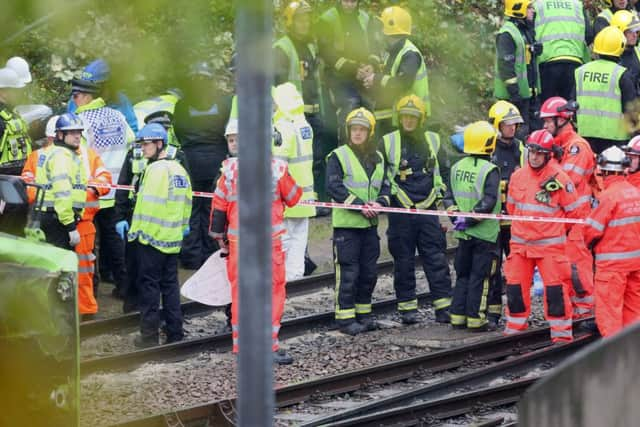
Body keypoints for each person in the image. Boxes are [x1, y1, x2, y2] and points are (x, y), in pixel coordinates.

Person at [209, 119, 302, 364]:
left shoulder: (228, 170)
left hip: (239, 244)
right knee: (272, 292)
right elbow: (293, 198)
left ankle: (241, 348)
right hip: (268, 243)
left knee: (241, 294)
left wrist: (220, 237)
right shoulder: (277, 168)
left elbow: (218, 205)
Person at [504, 129, 588, 343]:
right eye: (532, 151)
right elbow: (512, 208)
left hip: (550, 249)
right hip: (521, 246)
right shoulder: (518, 176)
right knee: (514, 288)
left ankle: (560, 336)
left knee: (555, 292)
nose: (534, 156)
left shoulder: (560, 178)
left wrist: (553, 233)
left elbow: (574, 213)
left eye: (539, 153)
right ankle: (514, 330)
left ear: (548, 154)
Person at [381, 95, 452, 324]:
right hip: (400, 212)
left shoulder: (434, 140)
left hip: (428, 209)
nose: (408, 121)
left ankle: (443, 307)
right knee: (403, 261)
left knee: (436, 258)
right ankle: (407, 309)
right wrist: (400, 200)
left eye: (413, 117)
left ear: (421, 119)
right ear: (398, 118)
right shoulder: (388, 141)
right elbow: (382, 177)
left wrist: (437, 196)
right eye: (405, 117)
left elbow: (444, 173)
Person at [126, 123, 192, 348]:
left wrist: (137, 234)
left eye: (146, 144)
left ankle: (148, 337)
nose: (143, 149)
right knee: (171, 287)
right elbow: (187, 204)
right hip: (172, 240)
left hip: (150, 239)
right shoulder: (179, 170)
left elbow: (145, 207)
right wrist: (181, 227)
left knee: (149, 289)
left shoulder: (154, 171)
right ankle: (175, 332)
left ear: (159, 143)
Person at [326, 107, 391, 335]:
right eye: (354, 129)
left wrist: (380, 203)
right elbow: (334, 187)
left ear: (370, 132)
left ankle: (364, 315)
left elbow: (385, 185)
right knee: (348, 273)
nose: (357, 133)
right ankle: (345, 319)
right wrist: (360, 206)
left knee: (368, 273)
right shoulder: (338, 156)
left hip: (369, 226)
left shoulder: (379, 158)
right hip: (347, 227)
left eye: (362, 129)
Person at [72, 68, 135, 296]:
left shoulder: (80, 121)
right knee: (114, 242)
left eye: (75, 95)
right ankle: (124, 286)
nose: (73, 99)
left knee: (89, 244)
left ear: (87, 96)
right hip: (116, 190)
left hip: (92, 192)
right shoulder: (117, 115)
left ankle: (92, 292)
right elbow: (131, 141)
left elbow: (80, 157)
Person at [539, 96, 596, 319]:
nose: (544, 126)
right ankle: (572, 311)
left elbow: (565, 181)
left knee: (577, 268)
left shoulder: (577, 148)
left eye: (547, 122)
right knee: (562, 269)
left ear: (561, 120)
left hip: (576, 221)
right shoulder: (556, 148)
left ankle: (586, 311)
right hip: (561, 221)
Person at [173, 62, 232, 270]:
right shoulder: (223, 103)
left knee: (191, 208)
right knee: (212, 208)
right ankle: (210, 253)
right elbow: (226, 130)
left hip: (191, 161)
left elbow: (178, 130)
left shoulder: (181, 106)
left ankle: (190, 256)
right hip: (216, 160)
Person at [444, 121, 501, 331]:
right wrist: (470, 218)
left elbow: (448, 196)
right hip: (485, 234)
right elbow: (489, 201)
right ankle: (477, 319)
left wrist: (456, 217)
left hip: (463, 234)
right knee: (481, 277)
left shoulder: (456, 167)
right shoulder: (490, 170)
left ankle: (458, 317)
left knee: (463, 275)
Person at [583, 146, 640, 337]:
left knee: (610, 314)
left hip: (612, 267)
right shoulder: (635, 193)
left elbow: (591, 230)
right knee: (633, 311)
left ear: (604, 170)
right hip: (635, 264)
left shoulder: (607, 197)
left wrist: (588, 244)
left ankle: (614, 358)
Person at [275, 2, 325, 208]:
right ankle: (294, 201)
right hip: (293, 117)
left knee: (317, 158)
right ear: (289, 22)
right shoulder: (281, 49)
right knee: (296, 162)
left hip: (314, 111)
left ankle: (317, 201)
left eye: (307, 19)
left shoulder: (311, 47)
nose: (304, 23)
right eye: (300, 19)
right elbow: (276, 84)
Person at [317, 0, 378, 146]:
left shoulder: (365, 18)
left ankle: (368, 151)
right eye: (346, 1)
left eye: (353, 1)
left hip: (362, 74)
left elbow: (374, 47)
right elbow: (327, 53)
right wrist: (353, 68)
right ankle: (346, 149)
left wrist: (372, 65)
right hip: (338, 77)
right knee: (351, 106)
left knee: (369, 108)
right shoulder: (327, 19)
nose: (349, 4)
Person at [272, 83, 317, 280]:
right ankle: (296, 278)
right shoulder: (304, 125)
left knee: (285, 241)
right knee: (299, 240)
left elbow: (277, 169)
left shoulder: (282, 128)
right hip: (304, 196)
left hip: (286, 197)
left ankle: (287, 281)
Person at [365, 6, 430, 137]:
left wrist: (375, 79)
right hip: (394, 116)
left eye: (382, 26)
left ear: (390, 28)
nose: (380, 31)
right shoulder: (394, 51)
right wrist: (372, 76)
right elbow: (388, 76)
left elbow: (402, 83)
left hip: (409, 116)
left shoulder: (409, 54)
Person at [488, 100, 526, 326]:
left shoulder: (522, 150)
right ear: (496, 125)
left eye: (514, 124)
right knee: (491, 269)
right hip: (492, 222)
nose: (512, 128)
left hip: (515, 223)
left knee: (516, 270)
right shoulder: (487, 149)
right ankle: (493, 313)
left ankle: (516, 312)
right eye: (507, 124)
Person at [573, 25, 635, 154]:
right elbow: (631, 110)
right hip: (616, 140)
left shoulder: (580, 71)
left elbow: (572, 103)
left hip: (585, 136)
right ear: (621, 47)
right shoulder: (621, 74)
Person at [32, 113, 87, 250]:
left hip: (48, 216)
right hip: (58, 219)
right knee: (61, 266)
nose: (77, 136)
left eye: (79, 132)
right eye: (72, 132)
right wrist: (70, 225)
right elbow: (62, 192)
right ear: (60, 135)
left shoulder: (53, 152)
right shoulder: (62, 156)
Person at [76, 124, 112, 318]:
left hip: (84, 221)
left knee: (86, 267)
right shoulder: (44, 156)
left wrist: (94, 190)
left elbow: (105, 177)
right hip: (56, 222)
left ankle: (87, 310)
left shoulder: (87, 155)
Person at [494, 0, 541, 132]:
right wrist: (514, 93)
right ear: (519, 9)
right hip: (513, 98)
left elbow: (526, 61)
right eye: (529, 7)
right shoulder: (507, 34)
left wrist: (535, 49)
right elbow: (505, 66)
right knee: (519, 135)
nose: (533, 10)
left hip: (528, 95)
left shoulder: (525, 30)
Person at [534, 0, 592, 102]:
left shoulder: (537, 5)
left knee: (547, 108)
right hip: (574, 62)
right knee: (570, 108)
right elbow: (589, 35)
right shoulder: (577, 5)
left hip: (547, 63)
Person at [68, 59, 139, 133]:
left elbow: (133, 130)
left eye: (92, 85)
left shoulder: (121, 100)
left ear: (106, 84)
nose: (88, 89)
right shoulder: (76, 100)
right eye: (85, 84)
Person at [0, 65, 32, 175]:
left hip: (15, 182)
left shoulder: (12, 114)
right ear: (3, 91)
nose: (19, 94)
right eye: (15, 90)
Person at [22, 115, 58, 203]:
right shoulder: (36, 155)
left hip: (43, 208)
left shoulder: (82, 154)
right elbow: (27, 182)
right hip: (43, 208)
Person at [611, 10, 640, 92]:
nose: (635, 35)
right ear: (619, 32)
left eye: (636, 31)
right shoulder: (610, 54)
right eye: (630, 31)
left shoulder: (637, 51)